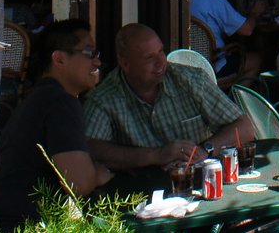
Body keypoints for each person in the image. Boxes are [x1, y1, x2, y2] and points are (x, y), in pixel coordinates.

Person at [0, 19, 113, 229]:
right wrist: (98, 174)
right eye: (89, 53)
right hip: (23, 226)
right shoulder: (60, 102)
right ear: (59, 59)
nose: (97, 62)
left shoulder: (41, 97)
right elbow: (79, 183)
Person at [84, 24, 256, 171]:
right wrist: (156, 155)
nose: (161, 62)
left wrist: (205, 150)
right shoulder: (104, 98)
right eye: (149, 58)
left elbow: (245, 128)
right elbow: (91, 149)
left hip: (197, 181)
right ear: (125, 64)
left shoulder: (189, 79)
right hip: (140, 194)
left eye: (161, 52)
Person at [189, 0, 266, 78]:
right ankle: (234, 95)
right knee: (256, 60)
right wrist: (254, 13)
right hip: (213, 66)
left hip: (189, 62)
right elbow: (247, 30)